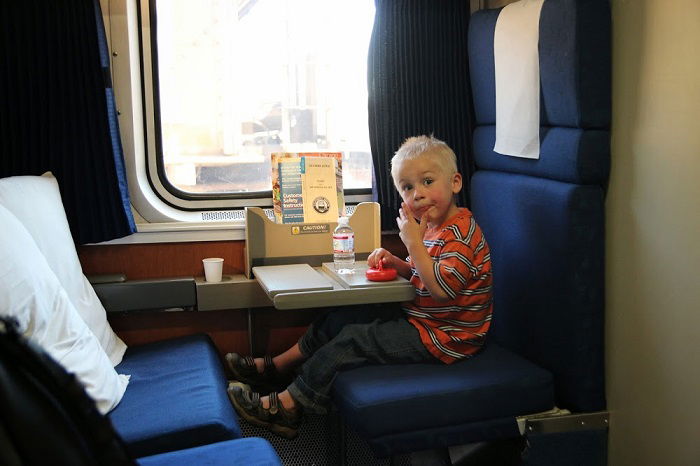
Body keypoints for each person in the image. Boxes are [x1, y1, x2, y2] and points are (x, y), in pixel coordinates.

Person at [227, 135, 493, 439]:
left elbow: (441, 290)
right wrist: (398, 262)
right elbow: (426, 273)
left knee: (354, 339)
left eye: (428, 181)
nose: (417, 194)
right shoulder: (432, 228)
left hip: (447, 337)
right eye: (407, 187)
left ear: (455, 182)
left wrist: (413, 243)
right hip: (424, 321)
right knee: (341, 317)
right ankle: (275, 367)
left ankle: (287, 407)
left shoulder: (459, 235)